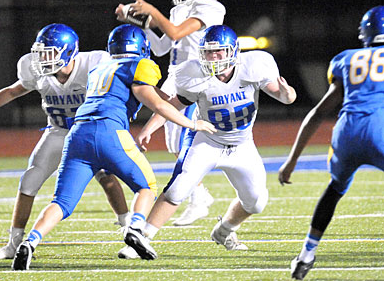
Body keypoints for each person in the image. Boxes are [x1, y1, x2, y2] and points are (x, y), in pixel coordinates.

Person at [11, 24, 216, 270]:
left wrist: (175, 101)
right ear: (142, 47)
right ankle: (136, 230)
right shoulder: (139, 66)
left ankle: (30, 243)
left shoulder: (100, 68)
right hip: (109, 132)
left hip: (77, 134)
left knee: (62, 201)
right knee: (147, 187)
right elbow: (157, 104)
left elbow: (159, 97)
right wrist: (192, 124)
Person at [125, 25, 296, 260]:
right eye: (208, 52)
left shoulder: (254, 66)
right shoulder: (193, 74)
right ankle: (140, 240)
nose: (213, 58)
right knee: (178, 189)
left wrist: (288, 94)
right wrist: (149, 127)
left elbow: (285, 97)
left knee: (256, 202)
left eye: (219, 52)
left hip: (242, 144)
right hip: (206, 140)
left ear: (233, 52)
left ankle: (224, 231)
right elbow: (176, 104)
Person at [0, 23, 130, 260]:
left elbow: (120, 89)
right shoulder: (36, 71)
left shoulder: (93, 65)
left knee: (108, 180)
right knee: (29, 180)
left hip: (87, 131)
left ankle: (129, 231)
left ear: (67, 51)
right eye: (41, 52)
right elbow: (14, 91)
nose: (43, 58)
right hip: (58, 131)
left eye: (49, 52)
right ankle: (14, 244)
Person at [115, 0, 226, 229]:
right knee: (173, 142)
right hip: (175, 74)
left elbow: (176, 32)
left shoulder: (212, 8)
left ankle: (198, 197)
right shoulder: (179, 10)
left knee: (179, 142)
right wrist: (137, 21)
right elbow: (164, 45)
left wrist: (151, 13)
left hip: (196, 75)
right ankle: (199, 195)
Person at [278, 5, 384, 280]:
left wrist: (292, 160)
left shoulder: (346, 59)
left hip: (346, 133)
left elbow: (319, 112)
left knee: (335, 189)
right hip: (380, 130)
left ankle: (306, 255)